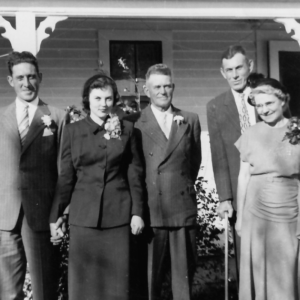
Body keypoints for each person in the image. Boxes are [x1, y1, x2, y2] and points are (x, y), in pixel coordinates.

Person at [49, 74, 145, 300]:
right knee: (84, 287)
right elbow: (66, 178)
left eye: (108, 98)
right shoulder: (73, 132)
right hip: (84, 219)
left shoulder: (128, 130)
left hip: (118, 217)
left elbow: (135, 174)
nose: (104, 104)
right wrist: (56, 215)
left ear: (115, 100)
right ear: (87, 100)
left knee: (117, 287)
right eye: (98, 98)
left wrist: (137, 212)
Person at [0, 51, 66, 300]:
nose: (26, 84)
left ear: (40, 77)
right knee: (7, 293)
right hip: (5, 218)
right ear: (10, 81)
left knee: (44, 291)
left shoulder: (57, 117)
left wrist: (59, 214)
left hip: (42, 216)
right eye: (19, 78)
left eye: (31, 77)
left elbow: (63, 171)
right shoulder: (0, 118)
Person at [134, 64, 201, 300]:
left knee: (183, 284)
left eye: (167, 86)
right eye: (157, 87)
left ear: (173, 87)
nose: (163, 91)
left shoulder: (189, 119)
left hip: (182, 209)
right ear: (146, 90)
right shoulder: (135, 122)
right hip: (152, 212)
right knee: (150, 282)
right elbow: (134, 170)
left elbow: (192, 165)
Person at [235, 76, 300, 299]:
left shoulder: (298, 130)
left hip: (288, 212)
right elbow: (243, 177)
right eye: (259, 105)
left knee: (285, 271)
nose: (264, 109)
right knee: (258, 269)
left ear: (282, 101)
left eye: (269, 103)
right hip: (255, 213)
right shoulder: (251, 134)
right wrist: (240, 218)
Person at [206, 45, 256, 277]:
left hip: (271, 187)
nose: (235, 75)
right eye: (229, 70)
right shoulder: (215, 107)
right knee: (244, 254)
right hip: (239, 191)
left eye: (239, 68)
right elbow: (219, 156)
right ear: (222, 73)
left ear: (250, 66)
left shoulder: (268, 97)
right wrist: (225, 197)